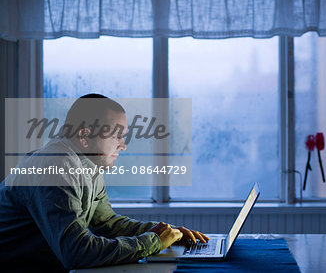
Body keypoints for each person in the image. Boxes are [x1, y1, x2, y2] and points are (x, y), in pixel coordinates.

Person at [0, 94, 208, 272]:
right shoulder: (56, 165)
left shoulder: (88, 163)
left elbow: (106, 223)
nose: (123, 146)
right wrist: (152, 241)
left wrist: (165, 232)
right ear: (84, 135)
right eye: (117, 135)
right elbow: (77, 252)